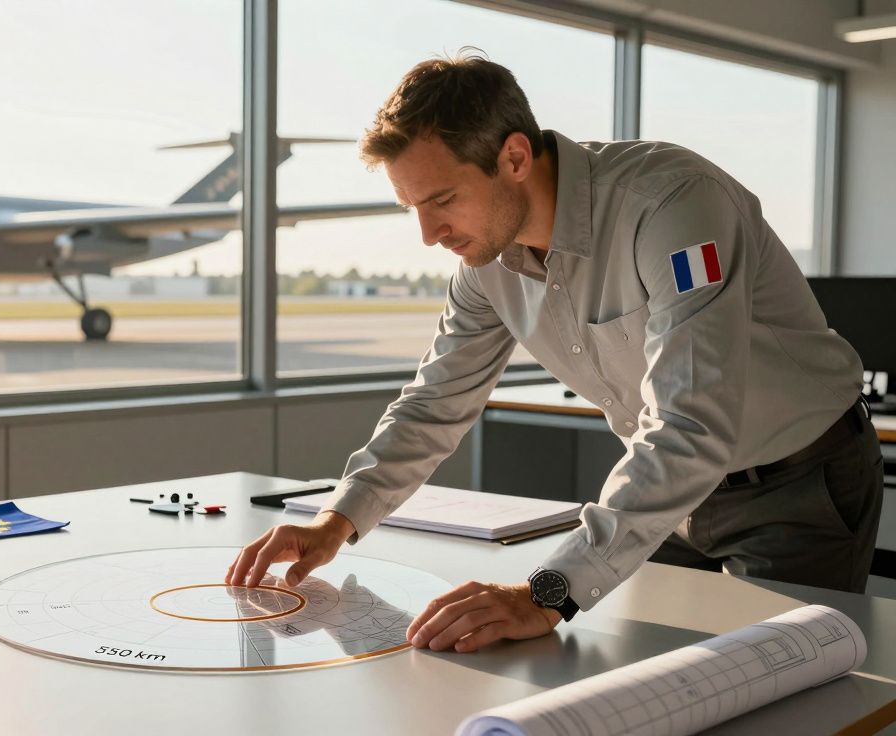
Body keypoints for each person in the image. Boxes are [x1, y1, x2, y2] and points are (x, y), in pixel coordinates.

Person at [225, 52, 884, 654]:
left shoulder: (671, 206)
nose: (428, 234)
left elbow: (691, 423)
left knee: (783, 695)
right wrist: (338, 520)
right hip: (672, 502)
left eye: (443, 200)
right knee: (646, 686)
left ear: (514, 156)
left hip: (798, 489)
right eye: (412, 208)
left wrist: (545, 593)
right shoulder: (484, 264)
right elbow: (434, 403)